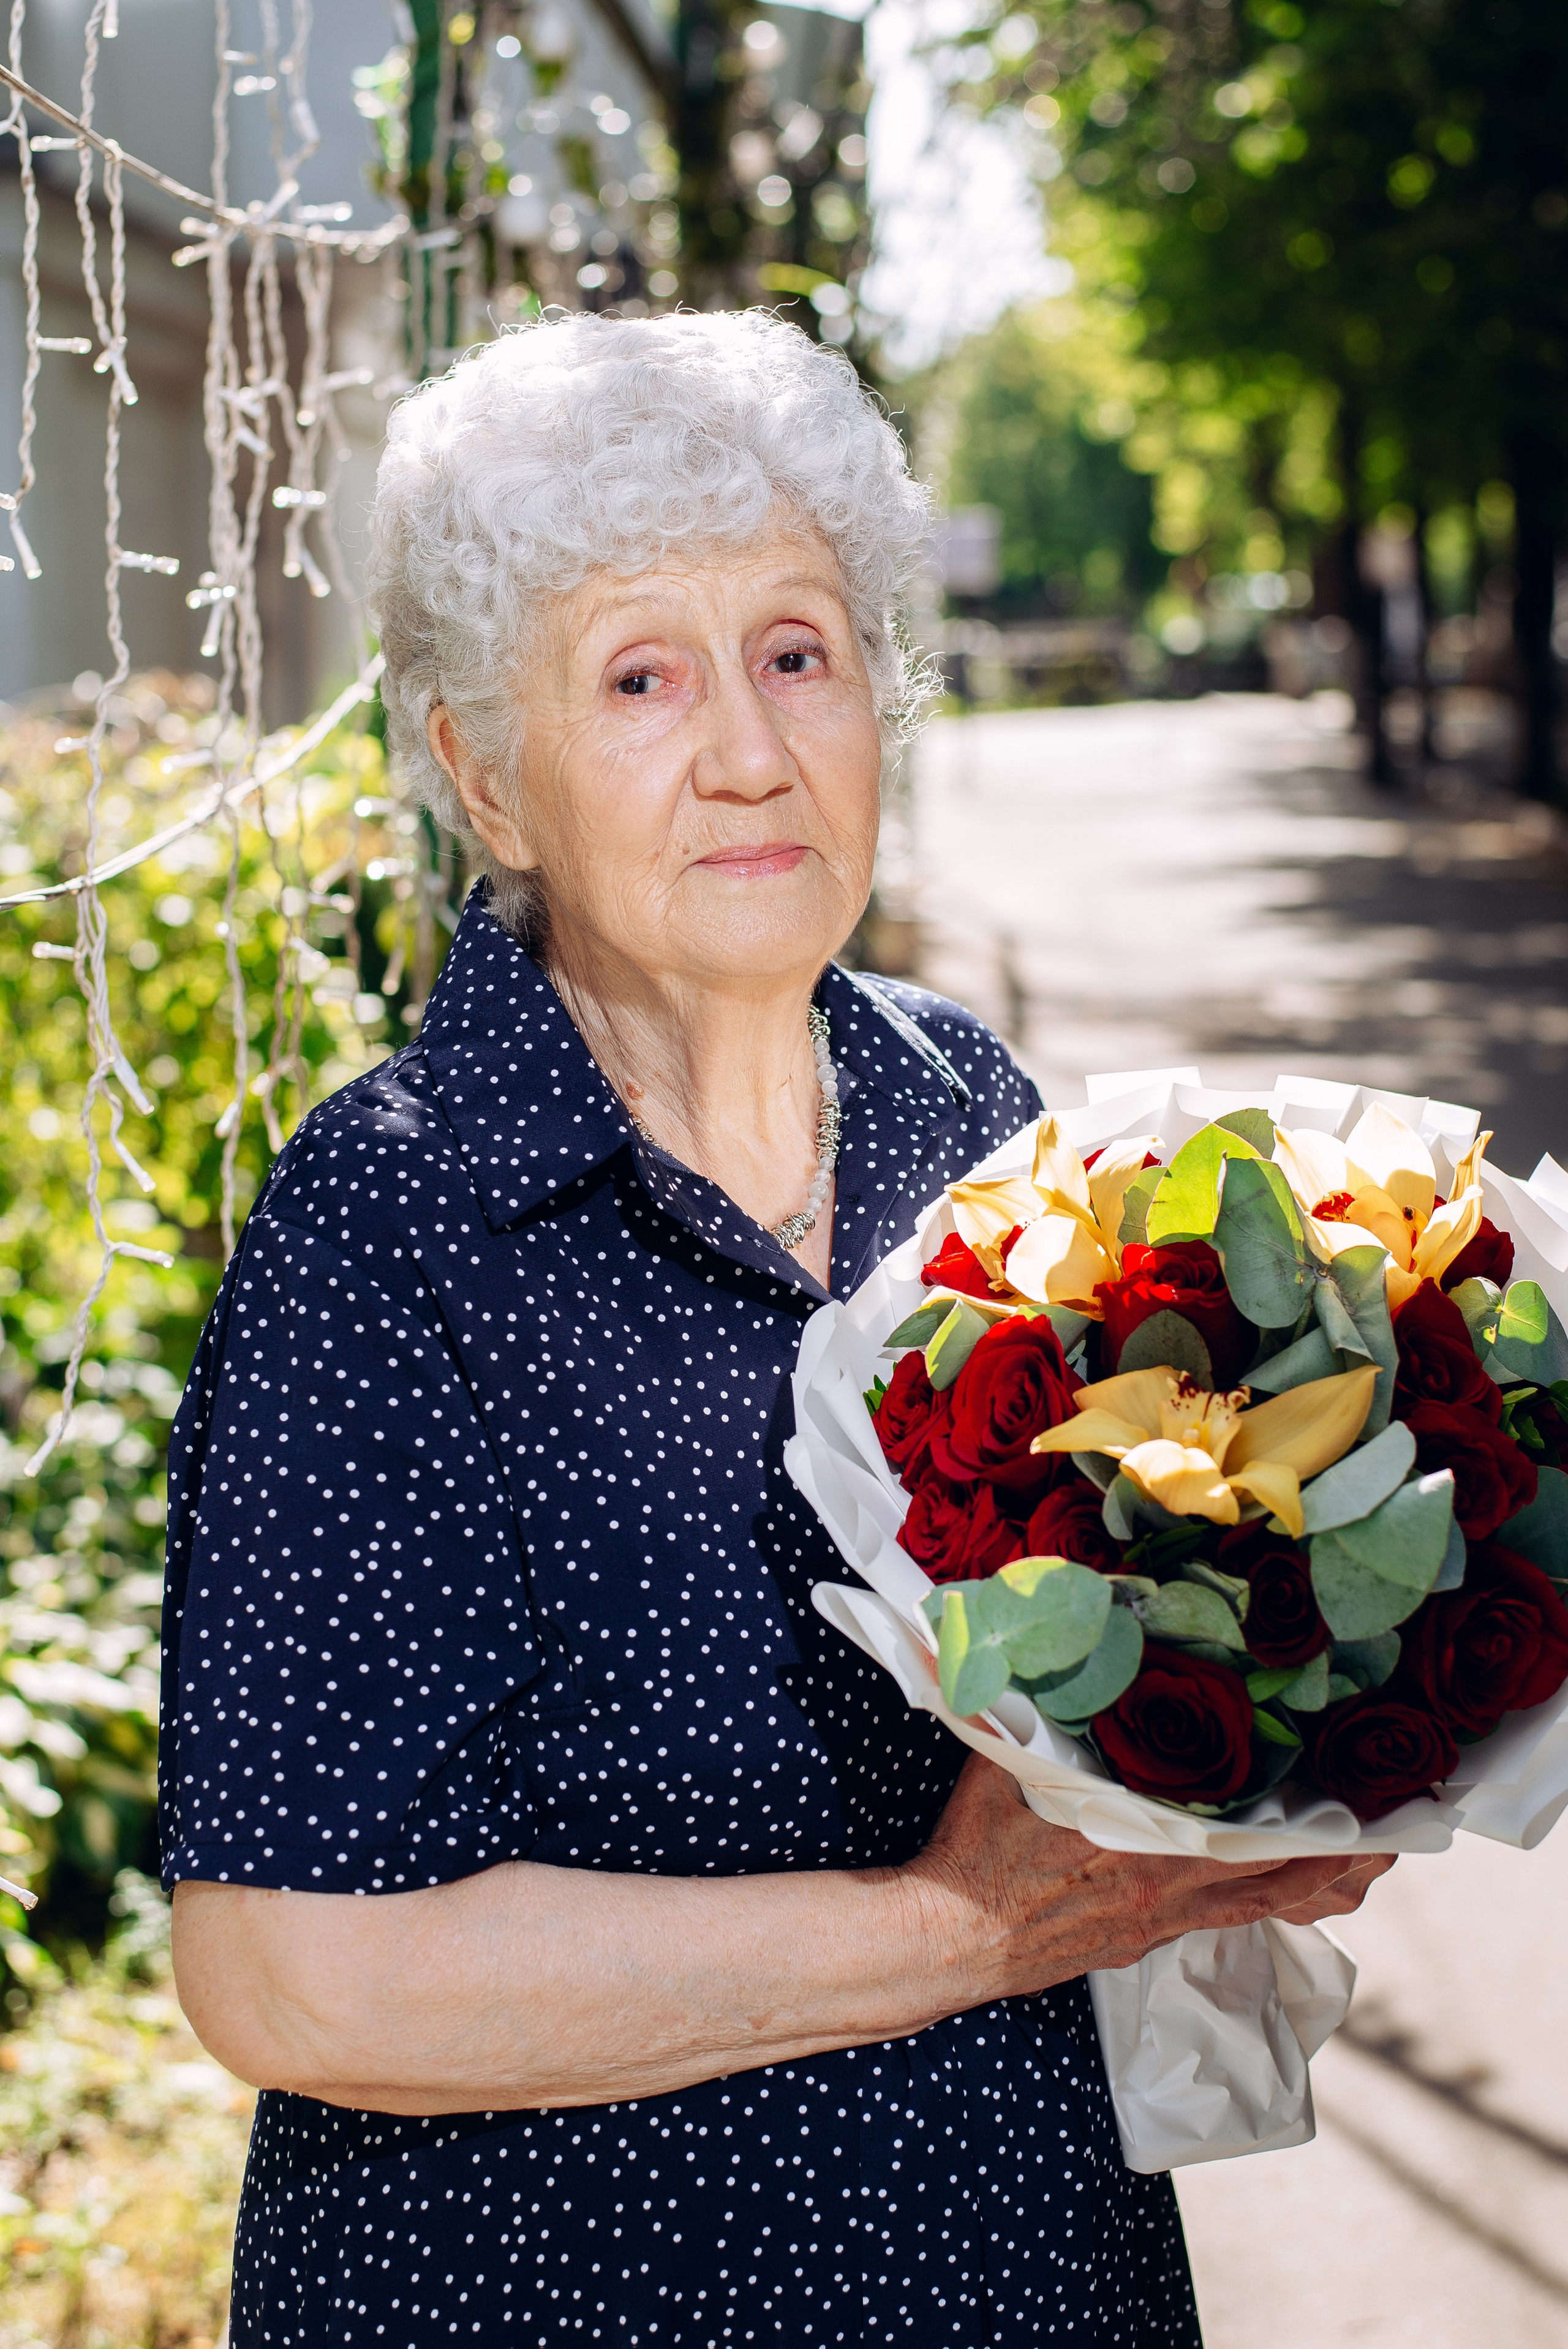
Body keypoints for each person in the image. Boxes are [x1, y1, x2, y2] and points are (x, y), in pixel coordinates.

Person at [162, 310, 1389, 2348]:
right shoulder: (393, 1224)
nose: (750, 749)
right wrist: (958, 1928)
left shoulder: (961, 1105)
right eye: (641, 675)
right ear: (487, 778)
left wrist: (1280, 1722)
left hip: (1034, 2269)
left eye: (799, 653)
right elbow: (294, 1974)